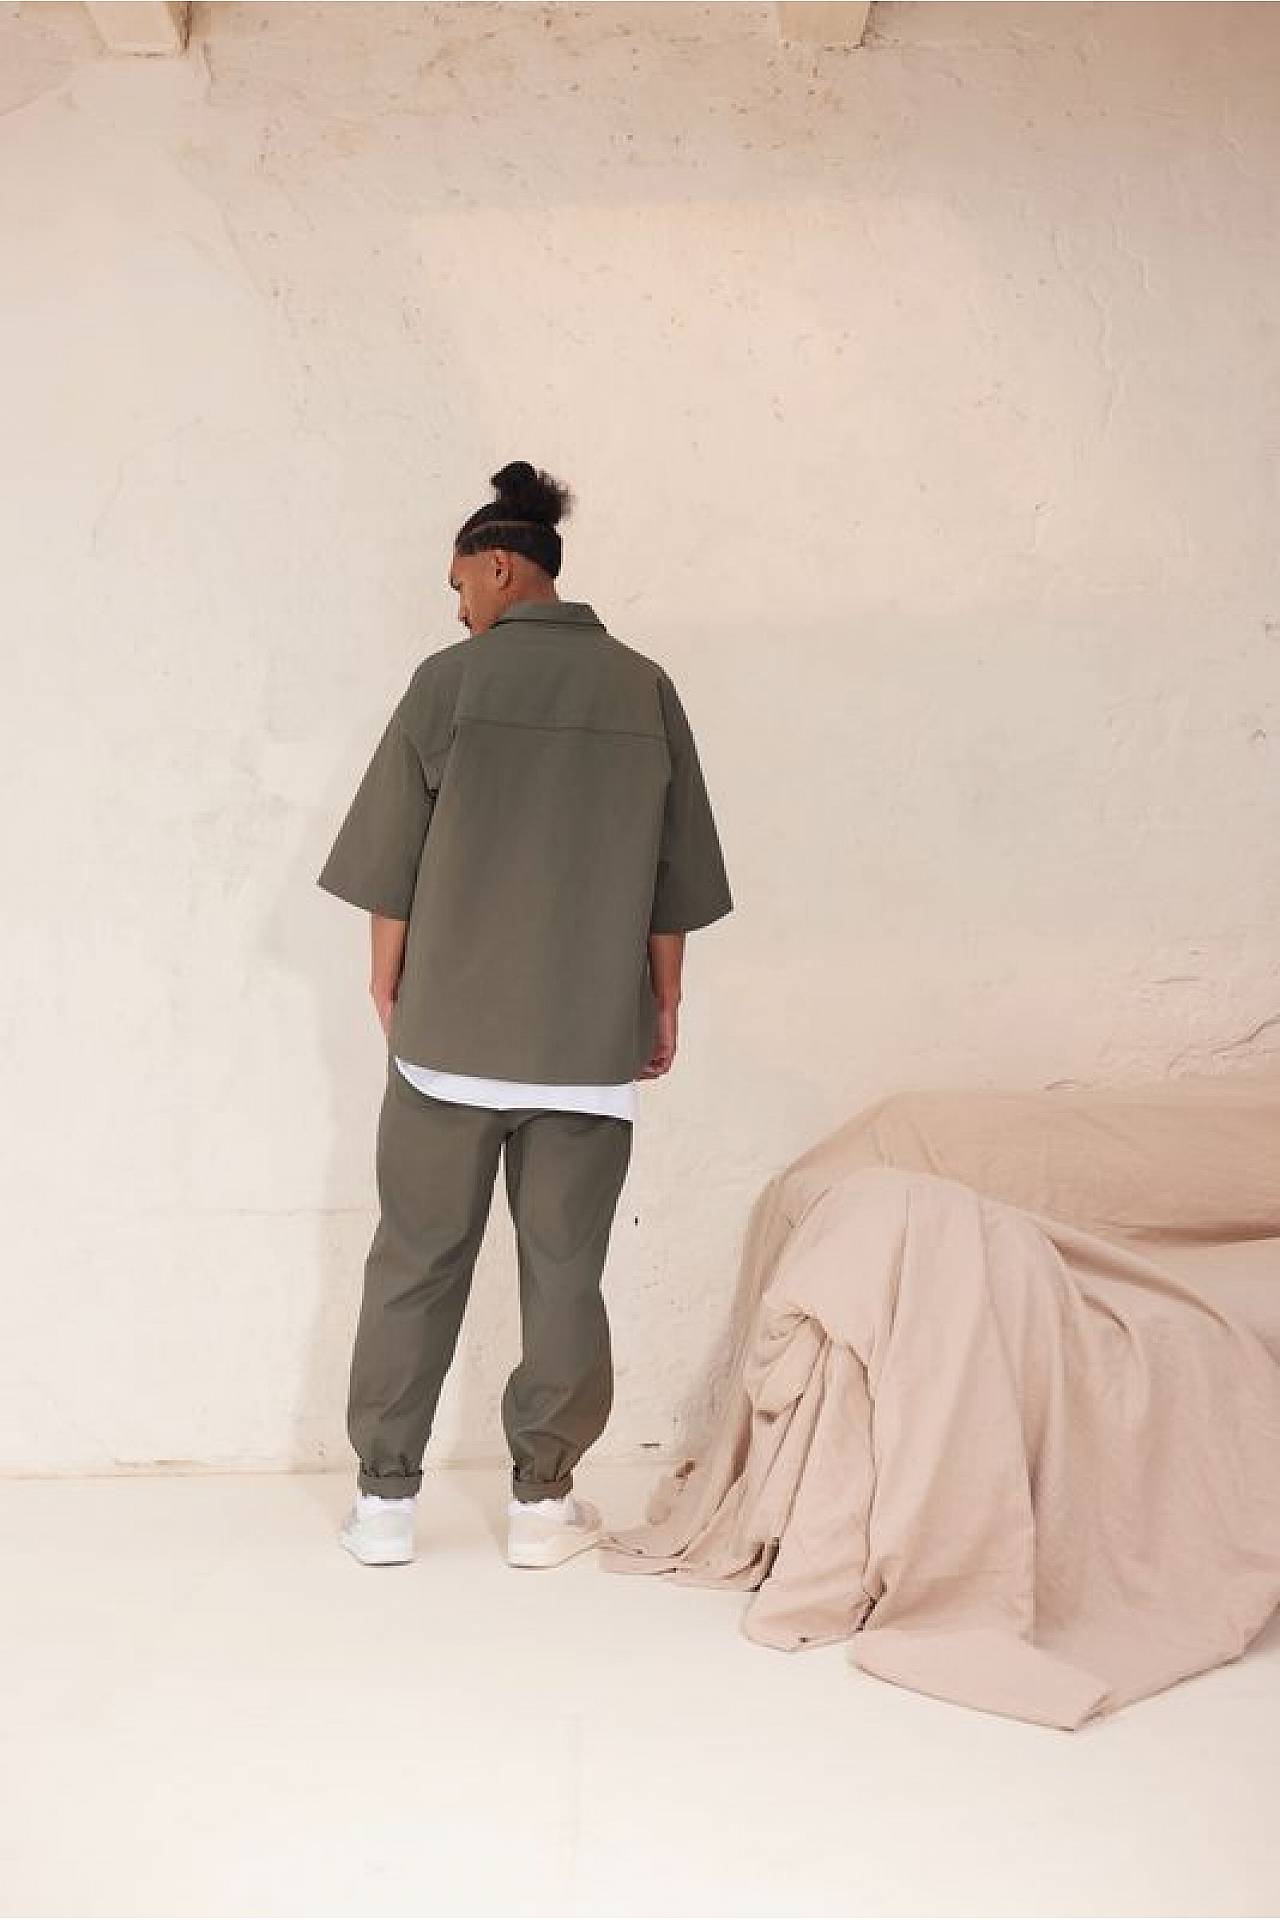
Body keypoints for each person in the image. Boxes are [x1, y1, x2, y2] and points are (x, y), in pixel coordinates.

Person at [316, 459, 733, 1570]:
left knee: (415, 1261)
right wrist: (663, 1005)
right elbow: (673, 879)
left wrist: (388, 984)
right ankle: (542, 1508)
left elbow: (392, 864)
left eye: (460, 584)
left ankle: (384, 1506)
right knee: (564, 1273)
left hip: (447, 1041)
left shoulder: (448, 684)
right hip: (584, 1044)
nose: (458, 608)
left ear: (501, 567)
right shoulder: (644, 688)